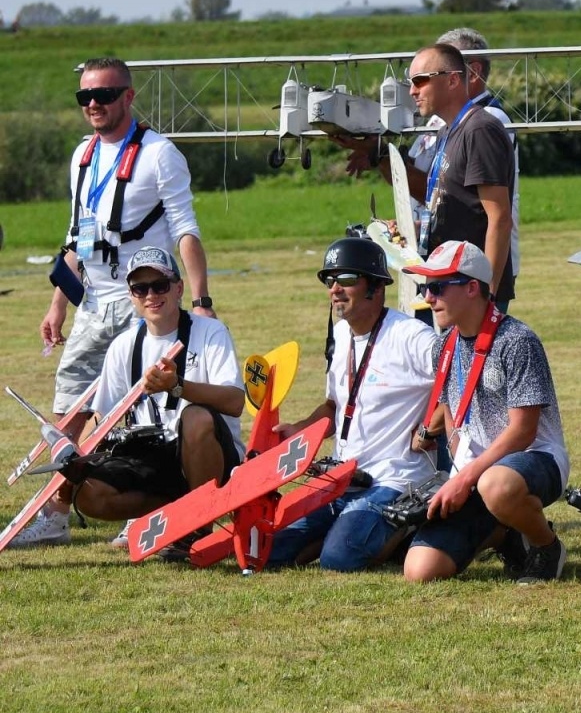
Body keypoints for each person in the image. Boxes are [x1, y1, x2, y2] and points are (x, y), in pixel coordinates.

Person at [19, 59, 213, 549]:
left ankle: (142, 499)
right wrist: (57, 304)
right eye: (83, 97)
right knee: (68, 412)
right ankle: (58, 512)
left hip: (141, 301)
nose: (93, 105)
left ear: (128, 96)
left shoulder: (159, 154)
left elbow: (185, 229)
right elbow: (75, 239)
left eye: (104, 95)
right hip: (94, 303)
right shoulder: (81, 157)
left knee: (136, 413)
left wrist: (201, 299)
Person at [266, 238, 439, 571]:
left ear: (375, 288)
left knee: (340, 557)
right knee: (270, 549)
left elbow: (457, 380)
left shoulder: (411, 336)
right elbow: (335, 406)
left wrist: (432, 425)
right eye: (328, 280)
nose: (334, 289)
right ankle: (346, 526)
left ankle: (409, 526)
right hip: (343, 477)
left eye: (345, 279)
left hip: (395, 479)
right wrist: (300, 431)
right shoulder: (342, 335)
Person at [401, 242, 566, 583]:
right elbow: (450, 406)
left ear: (472, 287)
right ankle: (504, 532)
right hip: (476, 473)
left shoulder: (517, 340)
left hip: (533, 458)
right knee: (420, 570)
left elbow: (524, 432)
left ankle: (545, 546)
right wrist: (447, 455)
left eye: (437, 287)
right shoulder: (443, 344)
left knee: (497, 485)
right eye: (424, 288)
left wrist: (464, 478)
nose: (428, 298)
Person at [72, 247, 243, 561]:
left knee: (195, 418)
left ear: (178, 288)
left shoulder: (211, 332)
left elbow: (235, 402)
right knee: (86, 495)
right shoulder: (123, 346)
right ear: (132, 296)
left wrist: (178, 386)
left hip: (212, 456)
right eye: (141, 288)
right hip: (155, 459)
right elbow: (101, 416)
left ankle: (198, 527)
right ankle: (173, 511)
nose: (151, 294)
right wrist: (71, 461)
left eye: (160, 285)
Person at [392, 44, 516, 306]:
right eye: (411, 82)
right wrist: (410, 229)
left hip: (472, 293)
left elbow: (500, 219)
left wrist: (487, 295)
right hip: (448, 286)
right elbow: (459, 208)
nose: (412, 90)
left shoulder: (480, 130)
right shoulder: (447, 131)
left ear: (452, 80)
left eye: (420, 80)